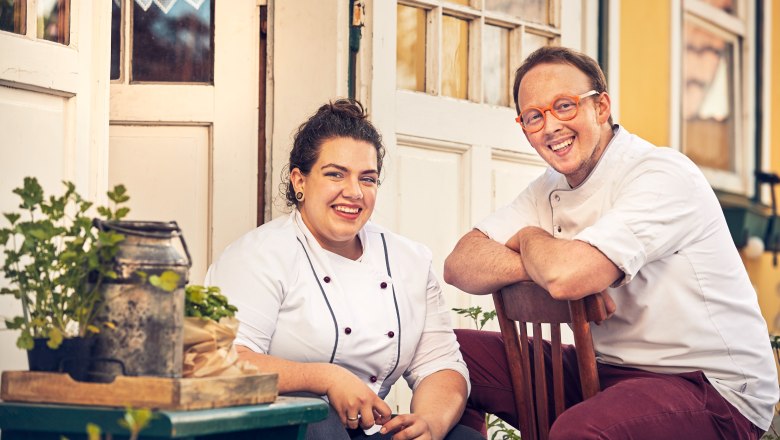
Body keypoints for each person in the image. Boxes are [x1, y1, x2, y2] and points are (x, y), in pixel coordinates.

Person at [444, 46, 779, 439]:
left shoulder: (660, 174)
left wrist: (530, 239)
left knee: (580, 431)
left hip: (709, 386)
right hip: (606, 371)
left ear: (601, 107)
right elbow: (460, 263)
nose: (550, 127)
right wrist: (543, 272)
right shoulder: (547, 189)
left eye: (564, 106)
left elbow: (569, 275)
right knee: (448, 356)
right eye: (534, 117)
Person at [205, 99, 483, 440]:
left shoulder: (408, 259)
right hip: (284, 431)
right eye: (335, 174)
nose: (353, 192)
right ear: (299, 181)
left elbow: (440, 366)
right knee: (318, 417)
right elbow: (222, 362)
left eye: (367, 179)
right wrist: (323, 377)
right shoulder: (259, 255)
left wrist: (430, 423)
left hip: (366, 430)